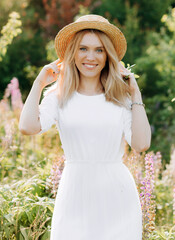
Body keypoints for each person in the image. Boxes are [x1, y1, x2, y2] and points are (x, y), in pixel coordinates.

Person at [19, 14, 151, 240]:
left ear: (108, 55)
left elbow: (141, 144)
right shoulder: (59, 96)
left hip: (117, 197)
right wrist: (39, 83)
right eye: (83, 49)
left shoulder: (121, 99)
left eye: (99, 50)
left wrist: (134, 93)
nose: (91, 57)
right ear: (72, 52)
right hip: (74, 194)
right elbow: (27, 126)